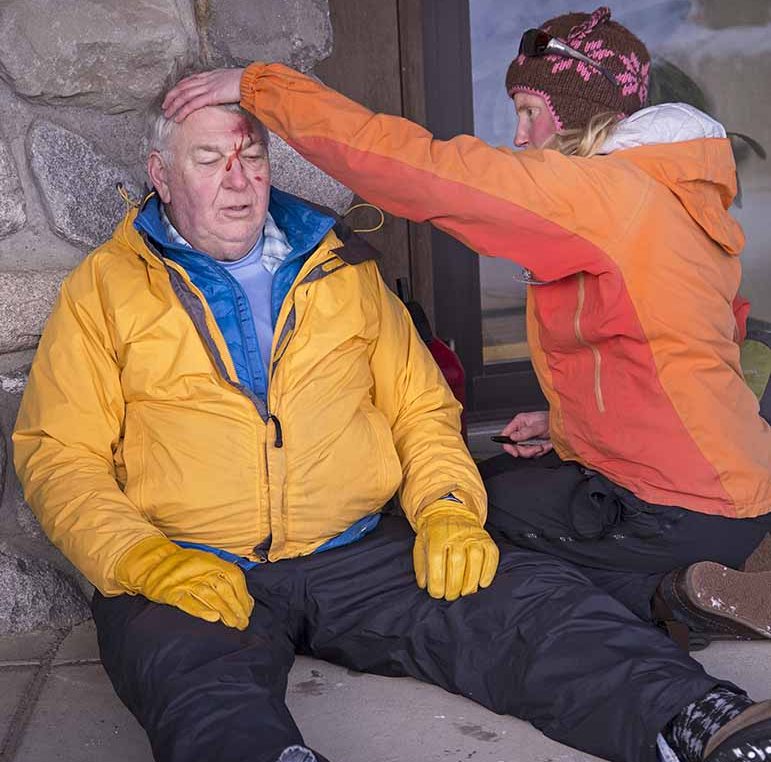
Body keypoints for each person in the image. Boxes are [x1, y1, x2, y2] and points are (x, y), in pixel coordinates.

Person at [13, 64, 771, 762]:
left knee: (518, 597)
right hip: (192, 556)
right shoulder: (106, 292)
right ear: (159, 175)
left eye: (253, 157)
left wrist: (447, 510)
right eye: (208, 159)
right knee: (191, 676)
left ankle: (702, 721)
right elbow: (58, 453)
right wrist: (140, 561)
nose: (239, 181)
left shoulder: (341, 271)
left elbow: (419, 410)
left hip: (355, 545)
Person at [160, 6, 771, 647]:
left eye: (533, 112)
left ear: (587, 113)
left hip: (671, 505)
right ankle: (736, 555)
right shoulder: (673, 191)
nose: (522, 135)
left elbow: (425, 173)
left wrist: (264, 88)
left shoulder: (602, 194)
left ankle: (675, 594)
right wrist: (573, 427)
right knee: (492, 480)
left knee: (461, 532)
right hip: (730, 487)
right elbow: (684, 351)